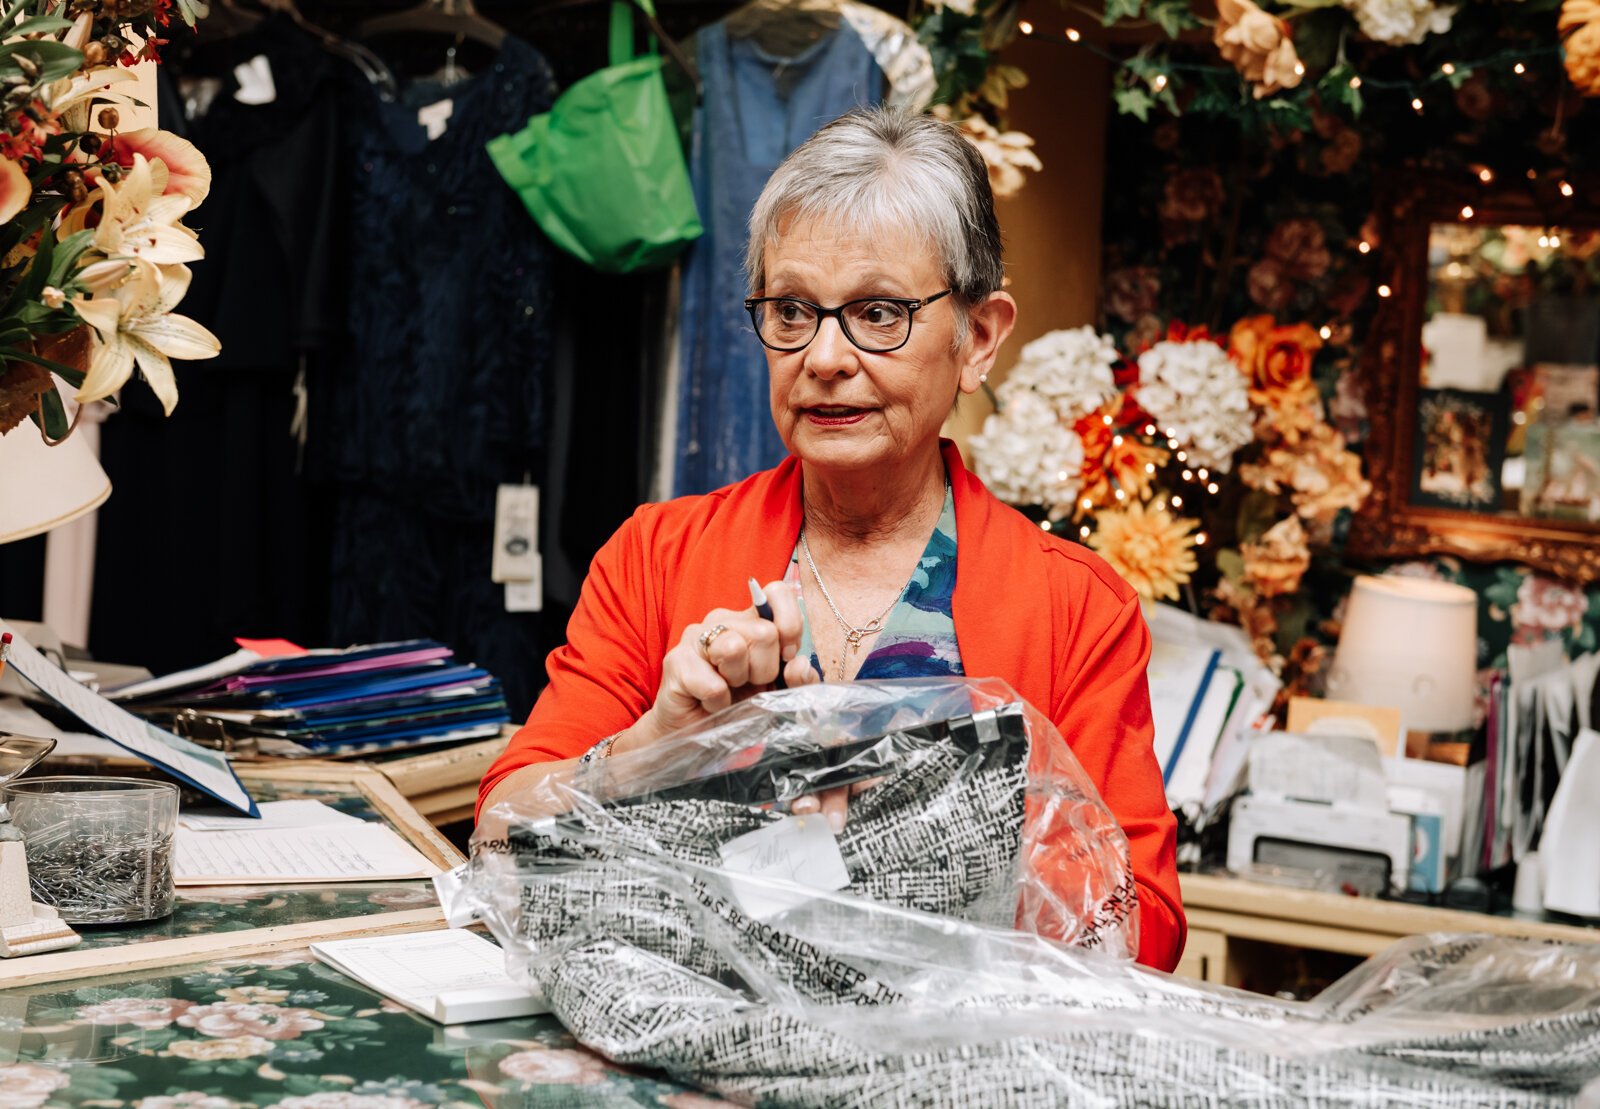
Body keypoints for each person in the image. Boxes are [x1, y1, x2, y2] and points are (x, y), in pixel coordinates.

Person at [477, 107, 1185, 971]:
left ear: (979, 338)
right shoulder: (654, 556)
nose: (824, 355)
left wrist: (930, 830)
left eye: (879, 312)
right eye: (791, 310)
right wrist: (655, 745)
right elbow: (502, 834)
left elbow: (1143, 929)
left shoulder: (1076, 607)